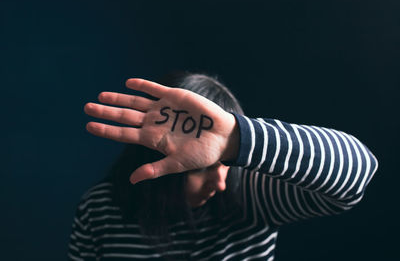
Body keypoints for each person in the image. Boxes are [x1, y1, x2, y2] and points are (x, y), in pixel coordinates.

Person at [68, 73, 378, 260]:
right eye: (201, 169)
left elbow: (358, 173)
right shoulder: (101, 210)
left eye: (225, 164)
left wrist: (234, 137)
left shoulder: (252, 196)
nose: (220, 183)